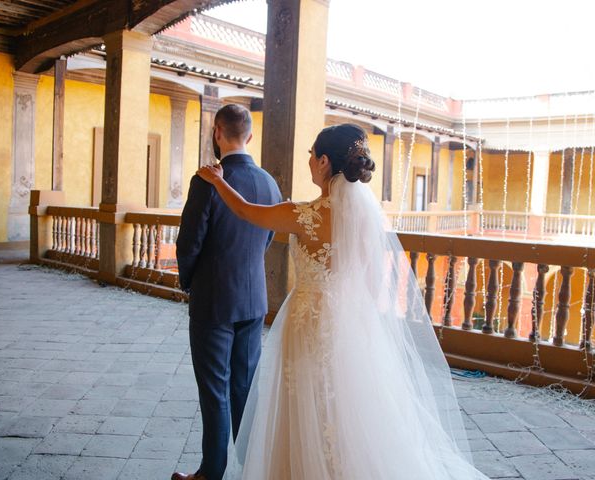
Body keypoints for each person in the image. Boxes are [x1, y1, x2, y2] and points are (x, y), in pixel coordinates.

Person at [196, 123, 490, 479]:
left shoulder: (302, 215)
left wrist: (216, 181)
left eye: (310, 155)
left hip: (307, 321)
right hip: (350, 320)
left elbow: (244, 211)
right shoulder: (366, 217)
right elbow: (370, 280)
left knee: (305, 402)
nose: (308, 161)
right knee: (347, 406)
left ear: (323, 162)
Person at [173, 104, 282, 480]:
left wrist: (190, 280)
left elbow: (189, 242)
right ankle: (253, 468)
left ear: (217, 132)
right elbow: (268, 236)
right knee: (244, 388)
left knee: (214, 388)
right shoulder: (269, 183)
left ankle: (211, 472)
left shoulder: (206, 180)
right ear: (249, 136)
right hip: (253, 299)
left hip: (214, 301)